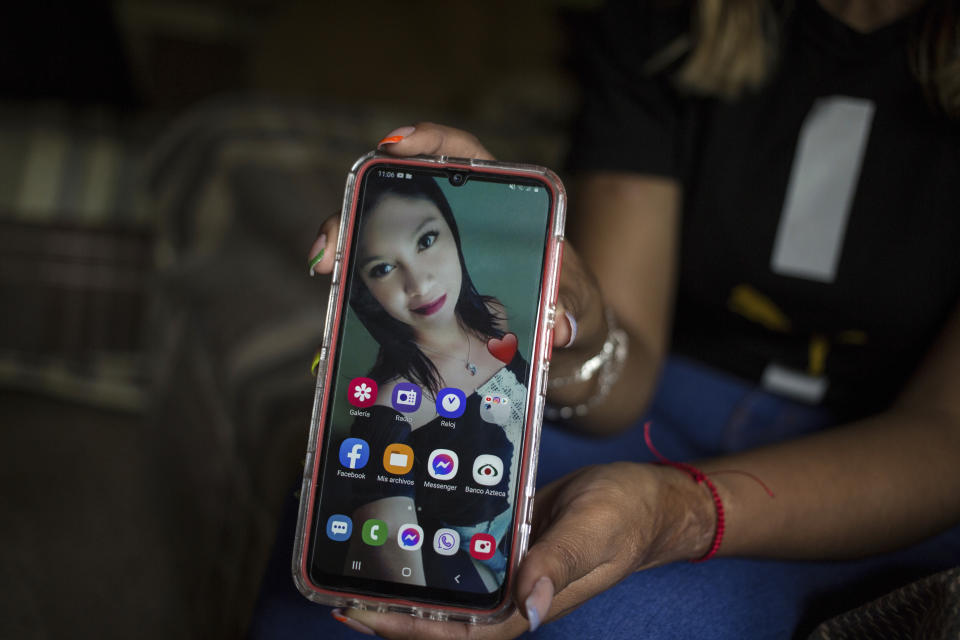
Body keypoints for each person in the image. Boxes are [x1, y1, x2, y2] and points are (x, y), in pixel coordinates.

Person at [254, 0, 960, 637]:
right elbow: (623, 380)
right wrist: (583, 321)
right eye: (382, 267)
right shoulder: (666, 27)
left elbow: (945, 438)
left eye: (429, 240)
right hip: (663, 406)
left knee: (620, 621)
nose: (412, 278)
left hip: (890, 465)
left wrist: (678, 513)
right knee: (334, 522)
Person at [322, 173, 529, 593]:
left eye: (426, 240)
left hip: (531, 522)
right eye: (382, 268)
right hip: (468, 567)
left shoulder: (492, 317)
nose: (419, 284)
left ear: (452, 233)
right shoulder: (390, 405)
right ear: (364, 290)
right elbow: (387, 531)